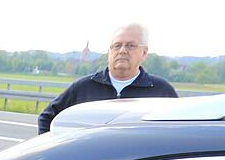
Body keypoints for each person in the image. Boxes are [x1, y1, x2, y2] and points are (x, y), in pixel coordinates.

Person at [38, 24, 177, 133]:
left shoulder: (162, 92)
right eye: (117, 45)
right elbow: (47, 118)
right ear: (109, 51)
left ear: (144, 53)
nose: (122, 50)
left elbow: (179, 129)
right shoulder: (84, 87)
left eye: (131, 45)